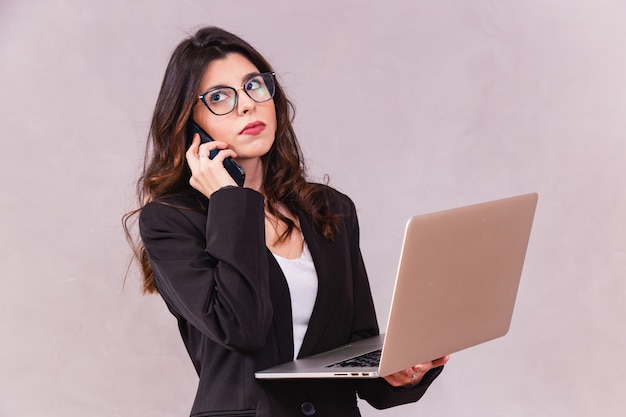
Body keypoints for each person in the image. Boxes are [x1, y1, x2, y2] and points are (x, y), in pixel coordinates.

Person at [124, 26, 449, 417]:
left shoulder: (331, 209)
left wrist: (401, 371)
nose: (246, 105)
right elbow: (239, 327)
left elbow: (356, 345)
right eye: (219, 98)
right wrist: (230, 199)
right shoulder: (171, 222)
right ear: (190, 122)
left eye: (254, 87)